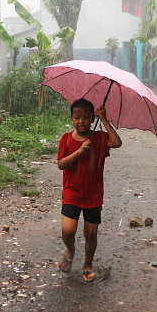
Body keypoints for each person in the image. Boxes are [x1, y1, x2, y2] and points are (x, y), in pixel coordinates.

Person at [56, 98, 122, 282]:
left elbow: (116, 142)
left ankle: (88, 264)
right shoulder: (66, 139)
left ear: (93, 119)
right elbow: (61, 164)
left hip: (93, 195)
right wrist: (79, 151)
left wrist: (105, 119)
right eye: (77, 117)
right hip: (72, 193)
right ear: (71, 119)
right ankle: (70, 250)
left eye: (86, 117)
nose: (81, 121)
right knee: (67, 231)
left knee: (90, 234)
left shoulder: (100, 138)